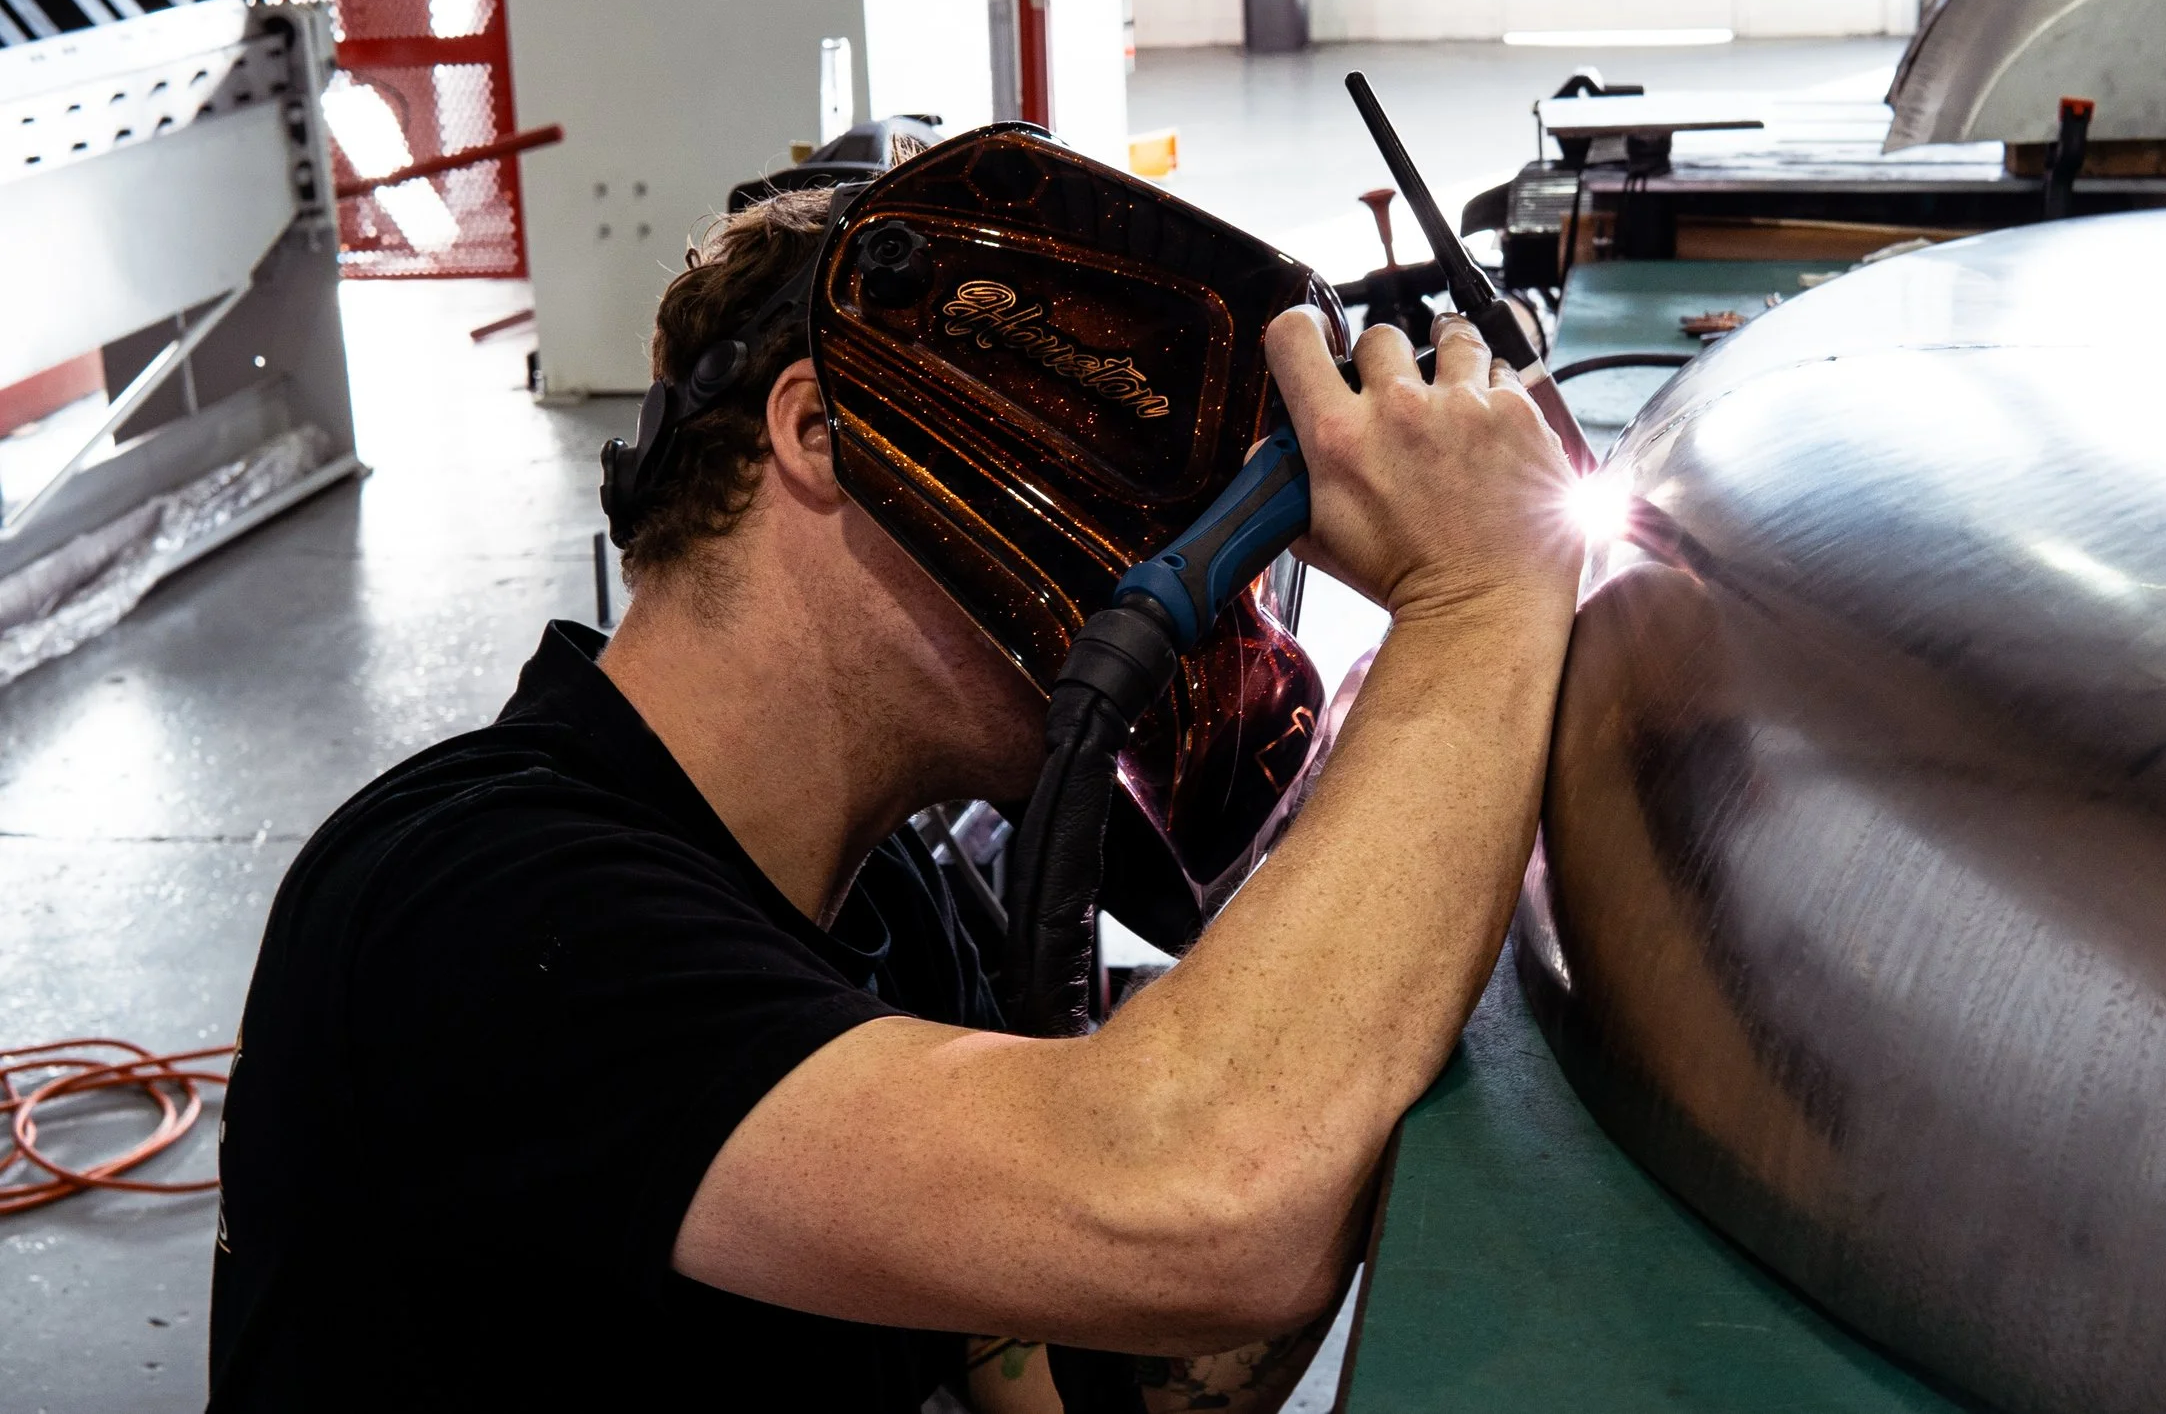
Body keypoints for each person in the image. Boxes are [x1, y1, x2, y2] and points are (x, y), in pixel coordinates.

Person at [207, 175, 1581, 1413]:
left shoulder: (894, 902)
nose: (1149, 568)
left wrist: (1405, 865)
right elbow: (1197, 1197)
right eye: (1091, 481)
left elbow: (1071, 1363)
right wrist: (1476, 596)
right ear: (819, 430)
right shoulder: (478, 905)